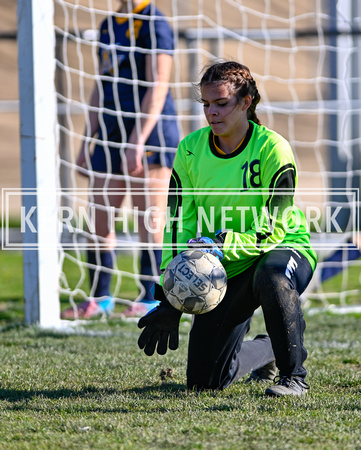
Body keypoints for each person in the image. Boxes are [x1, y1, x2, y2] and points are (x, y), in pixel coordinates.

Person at [137, 61, 318, 397]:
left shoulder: (272, 149)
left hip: (280, 248)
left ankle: (293, 377)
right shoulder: (190, 149)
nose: (212, 113)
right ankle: (268, 350)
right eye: (206, 104)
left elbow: (275, 227)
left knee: (273, 277)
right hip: (224, 263)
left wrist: (222, 243)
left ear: (246, 102)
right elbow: (179, 221)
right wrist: (169, 294)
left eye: (221, 103)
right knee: (205, 382)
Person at [61, 0, 179, 319]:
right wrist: (88, 138)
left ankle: (152, 296)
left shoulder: (154, 22)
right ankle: (100, 297)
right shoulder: (108, 25)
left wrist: (138, 141)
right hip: (111, 131)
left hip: (149, 132)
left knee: (149, 218)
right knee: (99, 216)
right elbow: (102, 85)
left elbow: (158, 85)